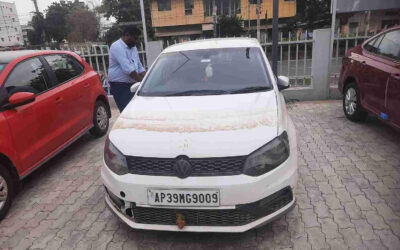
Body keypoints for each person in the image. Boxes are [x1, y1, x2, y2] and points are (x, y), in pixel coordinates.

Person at [108, 26, 146, 112]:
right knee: (126, 111)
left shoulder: (133, 47)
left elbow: (139, 67)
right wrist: (142, 83)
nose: (136, 41)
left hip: (132, 84)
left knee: (136, 110)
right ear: (127, 35)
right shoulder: (116, 46)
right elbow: (128, 69)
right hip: (120, 86)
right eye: (135, 38)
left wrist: (147, 79)